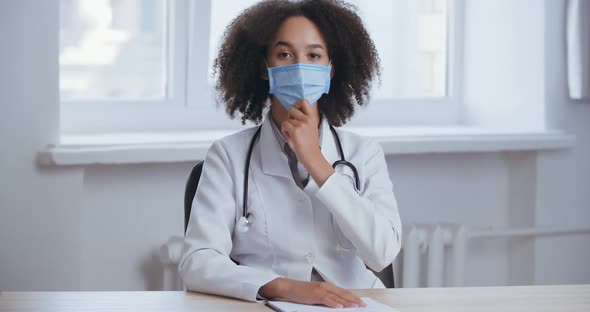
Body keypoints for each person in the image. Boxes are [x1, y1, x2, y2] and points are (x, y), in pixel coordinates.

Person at [179, 0, 402, 308]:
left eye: (313, 55)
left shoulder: (364, 153)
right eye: (284, 54)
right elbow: (197, 261)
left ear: (330, 68)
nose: (300, 67)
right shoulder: (228, 156)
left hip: (354, 303)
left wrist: (317, 163)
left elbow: (383, 252)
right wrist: (282, 287)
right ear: (263, 67)